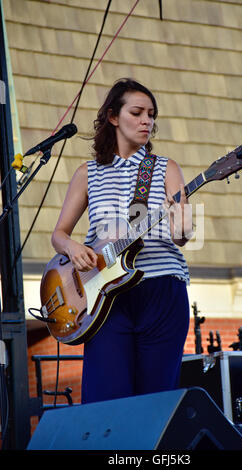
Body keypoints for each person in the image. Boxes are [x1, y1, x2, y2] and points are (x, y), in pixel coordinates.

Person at [51, 78, 194, 404]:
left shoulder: (165, 168)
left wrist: (181, 221)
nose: (147, 121)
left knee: (155, 403)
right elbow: (59, 235)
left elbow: (183, 238)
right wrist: (74, 248)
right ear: (114, 116)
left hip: (161, 292)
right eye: (138, 112)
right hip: (103, 297)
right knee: (105, 402)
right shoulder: (87, 173)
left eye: (152, 114)